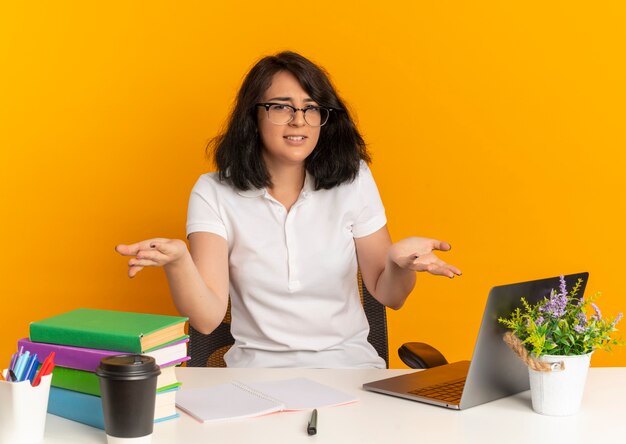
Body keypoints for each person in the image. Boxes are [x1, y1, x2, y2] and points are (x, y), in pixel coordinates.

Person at [116, 51, 461, 368]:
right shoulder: (213, 191)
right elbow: (207, 319)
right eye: (282, 107)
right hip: (255, 377)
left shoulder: (353, 179)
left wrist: (399, 265)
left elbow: (391, 295)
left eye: (311, 108)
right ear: (254, 116)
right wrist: (179, 263)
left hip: (351, 371)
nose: (299, 120)